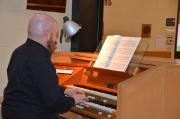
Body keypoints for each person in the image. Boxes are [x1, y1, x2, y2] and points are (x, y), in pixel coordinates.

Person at [1, 13, 87, 119]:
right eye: (55, 35)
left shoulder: (18, 52)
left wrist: (65, 90)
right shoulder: (40, 59)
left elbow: (39, 86)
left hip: (12, 113)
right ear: (47, 35)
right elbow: (55, 104)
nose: (55, 40)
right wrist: (74, 100)